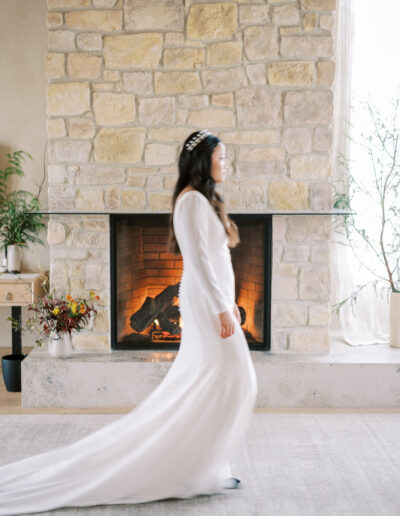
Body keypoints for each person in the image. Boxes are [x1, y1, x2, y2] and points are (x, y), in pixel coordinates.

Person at [0, 130, 258, 515]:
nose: (227, 164)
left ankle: (203, 465)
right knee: (236, 378)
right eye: (222, 157)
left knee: (215, 380)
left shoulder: (203, 201)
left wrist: (231, 303)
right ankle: (193, 466)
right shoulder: (190, 202)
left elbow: (218, 262)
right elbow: (200, 262)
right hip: (206, 305)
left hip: (215, 302)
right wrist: (222, 308)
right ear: (204, 162)